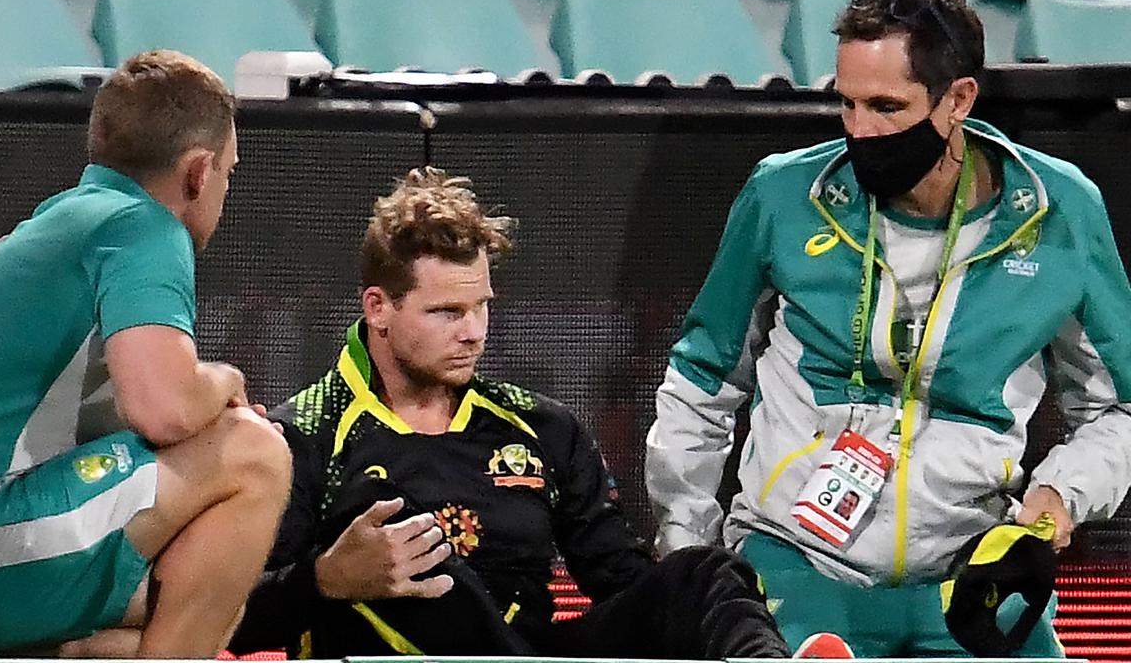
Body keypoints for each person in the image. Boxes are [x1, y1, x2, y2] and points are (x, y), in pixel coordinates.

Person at [645, 0, 1131, 657]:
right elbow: (701, 380)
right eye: (845, 104)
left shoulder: (1061, 214)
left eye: (885, 106)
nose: (859, 131)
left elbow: (1120, 409)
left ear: (958, 98)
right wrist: (688, 554)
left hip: (969, 579)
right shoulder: (783, 194)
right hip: (791, 561)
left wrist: (1059, 497)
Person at [229, 167, 790, 660]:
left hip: (542, 658)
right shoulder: (300, 436)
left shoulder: (544, 428)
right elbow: (230, 618)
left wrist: (676, 604)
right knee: (408, 550)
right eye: (446, 312)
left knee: (704, 575)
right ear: (378, 307)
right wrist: (326, 578)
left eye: (481, 308)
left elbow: (625, 584)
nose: (473, 333)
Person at [0, 50, 292, 658]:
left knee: (201, 595)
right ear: (197, 173)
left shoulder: (68, 221)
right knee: (254, 454)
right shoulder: (144, 228)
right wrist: (223, 380)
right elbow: (164, 409)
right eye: (228, 174)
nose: (223, 190)